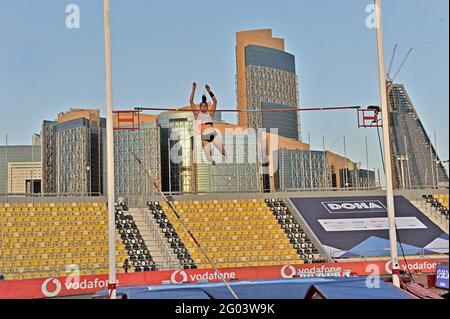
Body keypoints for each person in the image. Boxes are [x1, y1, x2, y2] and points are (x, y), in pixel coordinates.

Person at [189, 82, 226, 165]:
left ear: (207, 107)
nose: (204, 107)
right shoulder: (197, 114)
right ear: (199, 107)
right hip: (204, 136)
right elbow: (191, 101)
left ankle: (228, 157)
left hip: (212, 133)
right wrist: (193, 89)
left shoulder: (211, 114)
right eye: (202, 106)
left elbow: (215, 101)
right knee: (207, 154)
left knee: (223, 151)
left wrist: (209, 91)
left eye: (205, 106)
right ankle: (211, 160)